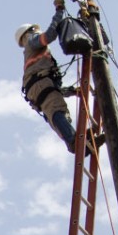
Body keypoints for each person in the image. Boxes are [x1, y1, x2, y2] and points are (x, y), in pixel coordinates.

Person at [17, 18, 78, 153]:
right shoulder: (33, 41)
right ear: (29, 32)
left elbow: (52, 89)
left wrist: (72, 91)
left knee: (57, 112)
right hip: (39, 84)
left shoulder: (34, 57)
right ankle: (73, 140)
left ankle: (76, 144)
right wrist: (59, 11)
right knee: (56, 109)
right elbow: (50, 35)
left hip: (37, 88)